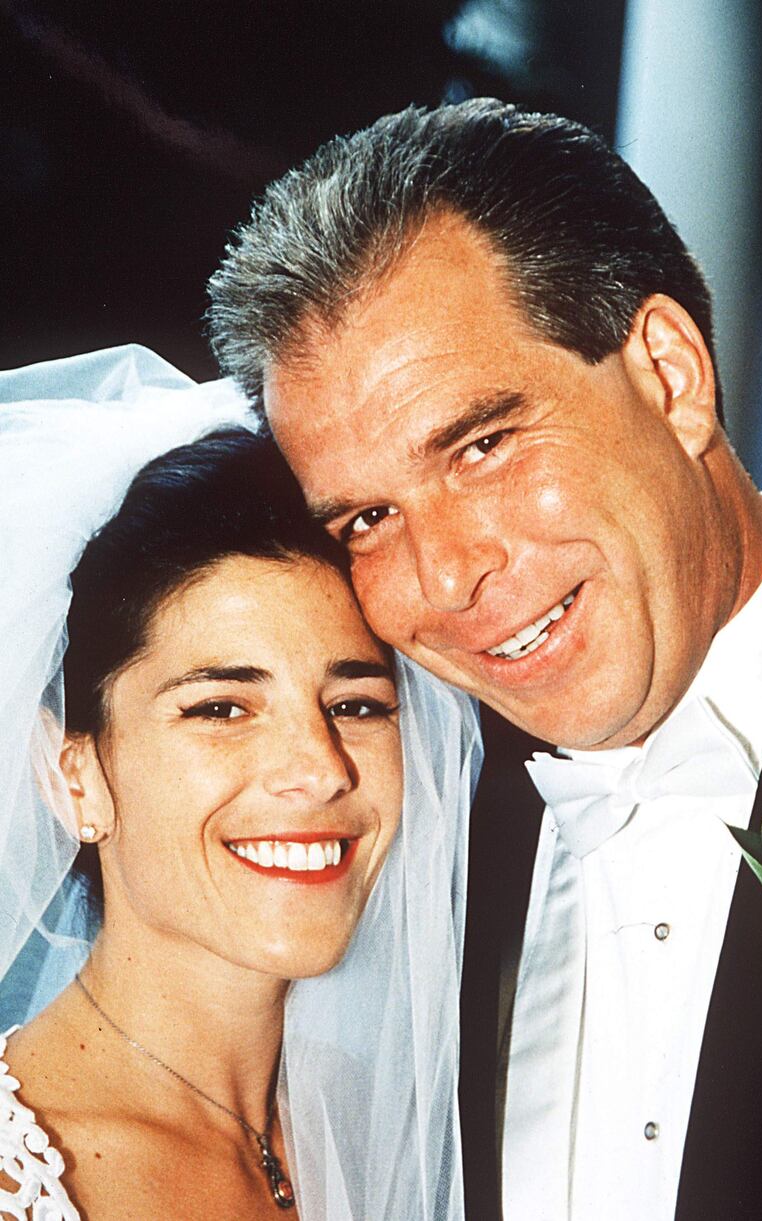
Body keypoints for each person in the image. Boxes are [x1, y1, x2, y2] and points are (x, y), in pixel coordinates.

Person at [207, 99, 762, 1220]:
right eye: (365, 520)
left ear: (668, 376)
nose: (443, 579)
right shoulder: (388, 864)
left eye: (479, 445)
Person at [0, 346, 479, 1220]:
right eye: (221, 707)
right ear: (75, 775)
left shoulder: (423, 1126)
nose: (318, 768)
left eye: (357, 703)